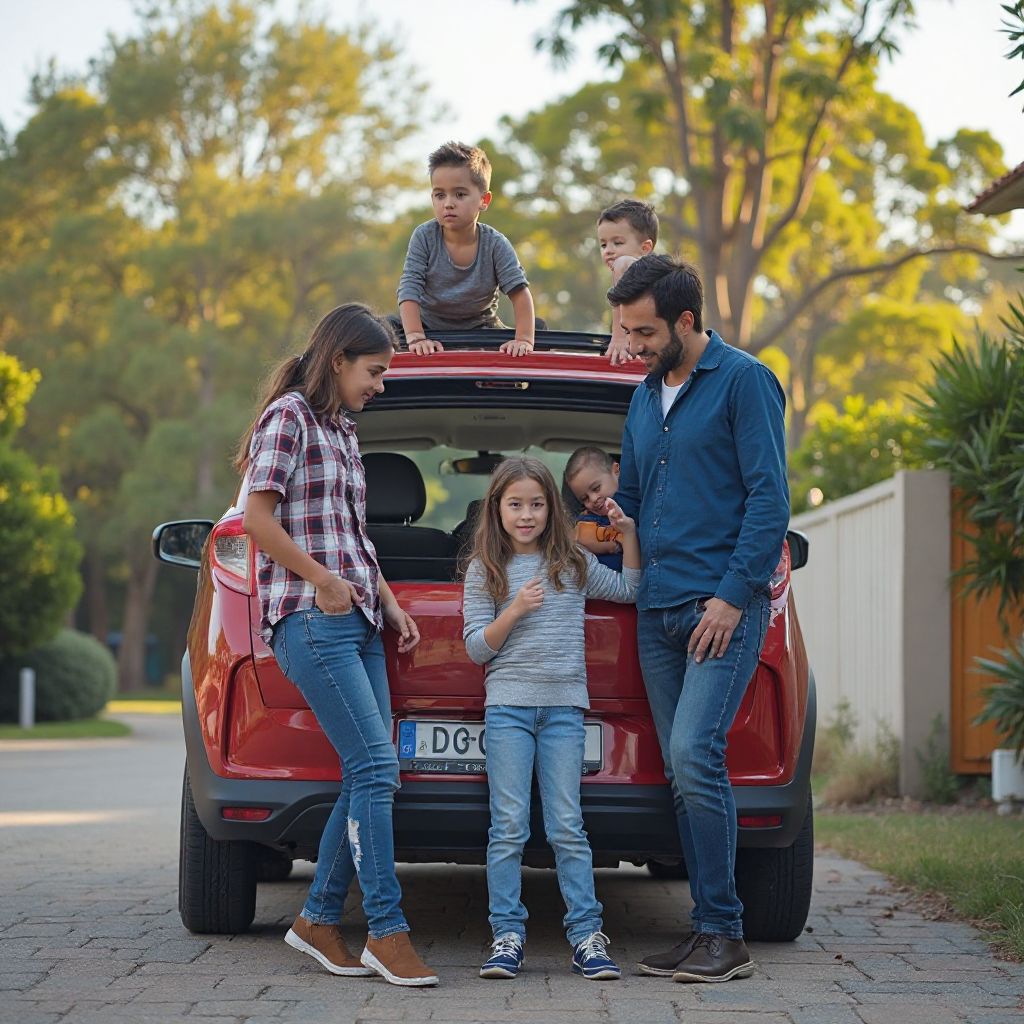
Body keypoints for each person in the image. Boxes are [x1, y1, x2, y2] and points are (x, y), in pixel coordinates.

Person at [238, 303, 438, 988]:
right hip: (311, 621)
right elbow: (254, 519)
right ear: (338, 361)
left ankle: (318, 919)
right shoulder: (288, 417)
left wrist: (387, 601)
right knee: (380, 771)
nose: (379, 385)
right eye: (374, 372)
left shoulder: (345, 432)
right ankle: (387, 931)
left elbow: (353, 537)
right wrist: (321, 579)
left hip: (362, 621)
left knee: (367, 773)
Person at [606, 255, 789, 984]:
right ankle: (705, 930)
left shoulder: (745, 382)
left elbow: (770, 502)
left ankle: (725, 933)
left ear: (686, 320)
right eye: (627, 330)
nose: (636, 344)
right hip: (658, 612)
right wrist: (609, 518)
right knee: (683, 777)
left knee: (693, 756)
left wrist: (733, 595)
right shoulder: (644, 398)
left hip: (721, 610)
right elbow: (634, 495)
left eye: (645, 331)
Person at [461, 456, 640, 981]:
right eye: (515, 504)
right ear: (496, 509)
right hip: (509, 711)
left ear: (551, 510)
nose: (526, 515)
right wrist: (513, 609)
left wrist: (627, 535)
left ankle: (586, 935)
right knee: (509, 827)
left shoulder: (572, 562)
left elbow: (630, 590)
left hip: (563, 711)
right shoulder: (485, 569)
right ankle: (507, 935)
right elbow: (476, 649)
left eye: (537, 504)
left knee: (567, 826)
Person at [396, 141, 539, 358]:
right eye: (440, 195)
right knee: (382, 331)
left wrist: (524, 340)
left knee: (540, 331)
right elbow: (409, 289)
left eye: (460, 194)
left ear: (484, 199)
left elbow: (519, 293)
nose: (448, 203)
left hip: (482, 329)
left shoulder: (495, 244)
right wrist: (416, 336)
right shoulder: (424, 237)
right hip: (428, 326)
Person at [596, 199, 657, 366]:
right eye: (603, 244)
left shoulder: (624, 265)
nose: (608, 250)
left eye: (618, 243)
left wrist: (619, 337)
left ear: (645, 248)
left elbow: (623, 266)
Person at [563, 446, 624, 570]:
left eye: (596, 488)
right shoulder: (588, 520)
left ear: (616, 471)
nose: (593, 499)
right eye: (584, 499)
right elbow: (584, 541)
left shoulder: (637, 510)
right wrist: (611, 547)